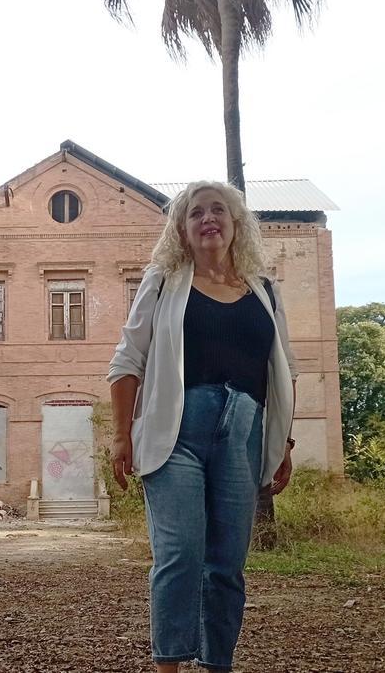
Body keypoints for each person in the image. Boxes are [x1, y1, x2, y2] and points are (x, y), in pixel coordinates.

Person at [107, 180, 298, 673]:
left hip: (244, 435)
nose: (208, 218)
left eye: (219, 211)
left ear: (236, 225)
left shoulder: (264, 290)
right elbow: (128, 359)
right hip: (177, 437)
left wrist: (284, 443)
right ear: (183, 229)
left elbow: (282, 372)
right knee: (180, 558)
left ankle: (218, 665)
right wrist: (120, 434)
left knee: (227, 566)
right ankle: (168, 665)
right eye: (196, 213)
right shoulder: (165, 281)